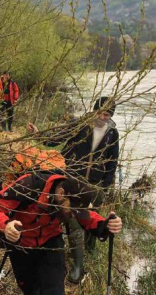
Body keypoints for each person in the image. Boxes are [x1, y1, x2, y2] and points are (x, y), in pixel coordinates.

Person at [0, 170, 123, 295]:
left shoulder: (72, 192)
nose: (74, 215)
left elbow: (88, 217)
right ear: (60, 194)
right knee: (31, 290)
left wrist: (105, 225)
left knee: (54, 290)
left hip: (51, 242)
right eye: (72, 210)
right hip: (22, 244)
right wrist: (6, 225)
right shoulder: (28, 186)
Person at [27, 96, 120, 284]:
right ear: (94, 110)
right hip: (73, 181)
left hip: (95, 184)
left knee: (94, 216)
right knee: (75, 220)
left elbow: (112, 162)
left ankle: (91, 248)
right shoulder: (78, 125)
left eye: (107, 114)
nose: (103, 117)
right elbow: (56, 139)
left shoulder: (113, 133)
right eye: (101, 113)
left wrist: (106, 187)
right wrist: (38, 134)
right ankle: (78, 264)